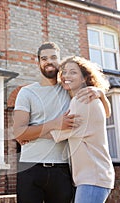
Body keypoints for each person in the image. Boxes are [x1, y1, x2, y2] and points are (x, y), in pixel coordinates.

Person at [13, 42, 111, 203]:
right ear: (38, 62)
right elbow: (18, 132)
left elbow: (104, 115)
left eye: (53, 57)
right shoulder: (27, 92)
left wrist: (101, 93)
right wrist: (53, 124)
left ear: (60, 62)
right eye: (44, 58)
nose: (48, 61)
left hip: (62, 168)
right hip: (30, 166)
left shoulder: (71, 90)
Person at [51, 56, 115, 203]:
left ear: (84, 78)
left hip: (93, 178)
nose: (66, 76)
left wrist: (28, 132)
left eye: (73, 72)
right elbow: (106, 114)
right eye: (64, 72)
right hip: (94, 177)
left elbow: (58, 134)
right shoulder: (91, 97)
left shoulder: (81, 100)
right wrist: (103, 96)